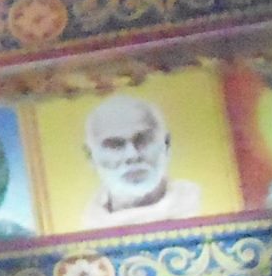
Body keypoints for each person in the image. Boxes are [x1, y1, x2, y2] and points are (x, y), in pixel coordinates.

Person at [82, 94, 202, 227]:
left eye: (143, 139)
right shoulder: (85, 230)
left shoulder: (200, 206)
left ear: (166, 144)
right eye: (114, 145)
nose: (132, 155)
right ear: (90, 156)